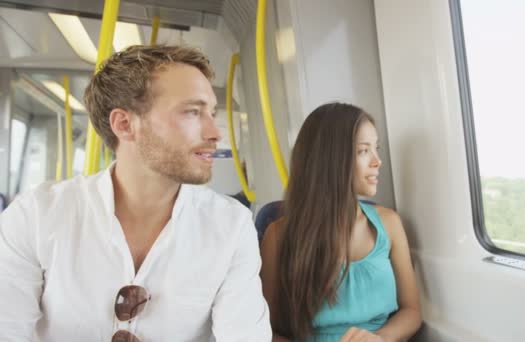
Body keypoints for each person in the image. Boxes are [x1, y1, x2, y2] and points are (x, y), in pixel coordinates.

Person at [0, 45, 271, 341]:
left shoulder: (231, 225)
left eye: (211, 113)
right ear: (125, 124)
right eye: (193, 112)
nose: (215, 133)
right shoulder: (37, 215)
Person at [261, 103, 422, 341]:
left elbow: (412, 312)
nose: (377, 161)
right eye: (363, 151)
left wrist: (380, 338)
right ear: (331, 158)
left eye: (376, 149)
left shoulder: (389, 223)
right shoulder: (278, 235)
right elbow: (266, 329)